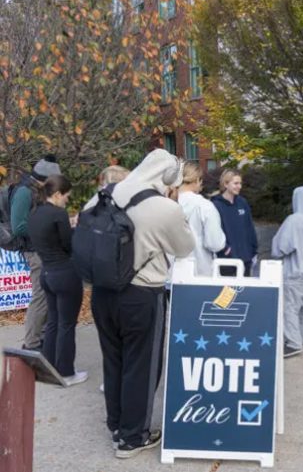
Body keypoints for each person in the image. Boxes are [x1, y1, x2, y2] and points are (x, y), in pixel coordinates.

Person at [89, 149, 195, 458]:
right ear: (169, 179)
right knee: (141, 366)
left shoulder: (102, 197)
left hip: (102, 292)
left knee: (114, 360)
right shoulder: (163, 207)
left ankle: (117, 426)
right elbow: (185, 247)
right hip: (141, 294)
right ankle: (132, 438)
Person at [26, 175, 87, 385]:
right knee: (67, 324)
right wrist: (75, 228)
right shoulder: (58, 214)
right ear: (58, 194)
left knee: (53, 321)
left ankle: (48, 366)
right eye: (66, 197)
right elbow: (68, 244)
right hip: (65, 273)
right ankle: (66, 372)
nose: (67, 201)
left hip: (46, 273)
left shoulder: (35, 212)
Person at [11, 155, 62, 350]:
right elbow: (18, 227)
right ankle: (31, 344)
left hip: (43, 250)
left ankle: (41, 338)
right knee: (40, 297)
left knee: (47, 296)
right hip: (34, 252)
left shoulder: (37, 191)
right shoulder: (25, 192)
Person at [272, 186, 303, 358]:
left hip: (295, 270)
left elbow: (281, 248)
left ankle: (293, 342)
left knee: (290, 308)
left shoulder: (293, 220)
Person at [177, 162, 226, 275]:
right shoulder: (204, 206)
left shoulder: (166, 203)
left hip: (172, 273)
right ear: (197, 180)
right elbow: (215, 244)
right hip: (200, 270)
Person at [212, 169, 258, 277]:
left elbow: (249, 228)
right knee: (228, 293)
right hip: (227, 261)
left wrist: (253, 251)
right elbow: (215, 232)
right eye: (236, 183)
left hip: (246, 259)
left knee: (244, 292)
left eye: (240, 183)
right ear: (226, 184)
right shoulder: (216, 205)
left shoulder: (242, 202)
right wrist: (225, 250)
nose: (239, 186)